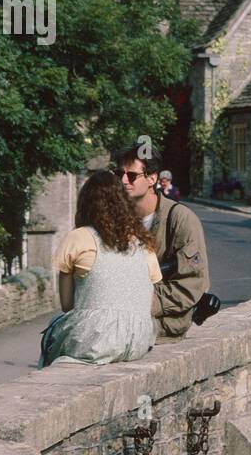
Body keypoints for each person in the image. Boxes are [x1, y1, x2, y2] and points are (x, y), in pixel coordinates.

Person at [41, 170, 162, 366]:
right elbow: (151, 298)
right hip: (139, 339)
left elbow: (67, 305)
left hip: (94, 339)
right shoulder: (143, 242)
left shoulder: (79, 237)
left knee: (51, 333)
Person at [113, 145, 210, 341]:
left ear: (152, 178)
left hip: (163, 327)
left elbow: (191, 285)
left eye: (131, 176)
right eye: (119, 174)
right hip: (118, 320)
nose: (123, 180)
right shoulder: (113, 219)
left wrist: (136, 303)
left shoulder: (180, 219)